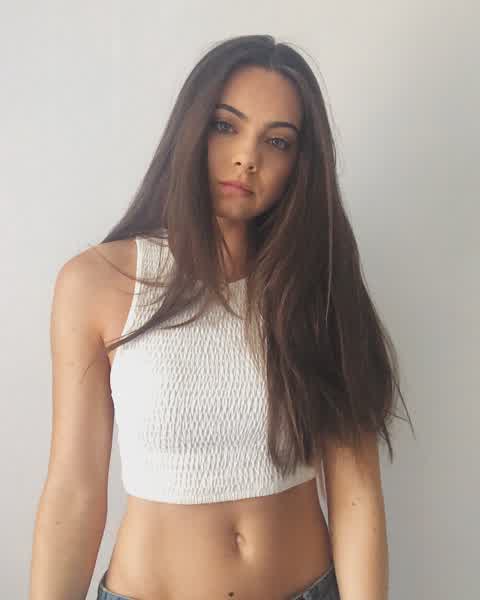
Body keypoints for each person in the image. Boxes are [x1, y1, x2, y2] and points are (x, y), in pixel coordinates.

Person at [29, 35, 414, 600]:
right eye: (225, 126)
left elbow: (355, 489)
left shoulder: (317, 285)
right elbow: (75, 490)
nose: (247, 158)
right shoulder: (96, 283)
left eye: (277, 141)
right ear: (191, 128)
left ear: (300, 163)